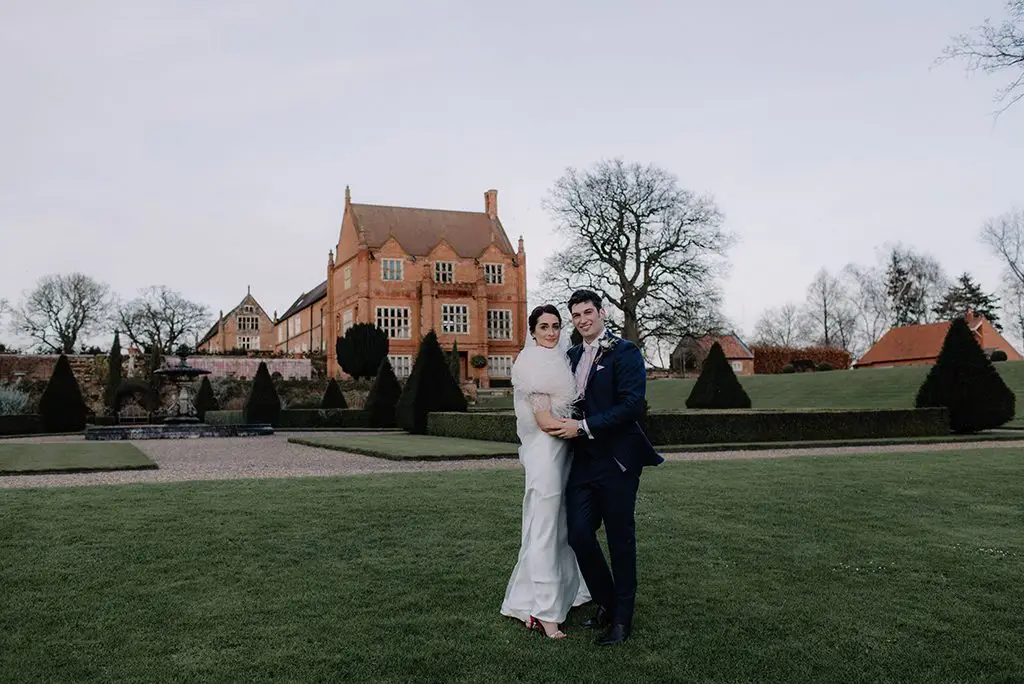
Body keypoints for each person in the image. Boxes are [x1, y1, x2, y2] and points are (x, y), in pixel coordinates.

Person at [546, 289, 664, 646]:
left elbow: (631, 405)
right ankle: (607, 602)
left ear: (602, 313)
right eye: (576, 315)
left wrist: (583, 427)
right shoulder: (569, 355)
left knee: (620, 539)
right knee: (579, 534)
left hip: (616, 462)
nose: (582, 320)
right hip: (582, 463)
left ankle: (621, 621)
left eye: (588, 313)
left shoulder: (625, 352)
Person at [500, 304, 590, 639]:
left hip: (561, 454)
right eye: (543, 327)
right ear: (532, 331)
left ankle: (551, 596)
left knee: (557, 526)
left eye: (555, 326)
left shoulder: (562, 359)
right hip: (546, 453)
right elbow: (545, 421)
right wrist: (585, 428)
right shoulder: (533, 363)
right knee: (545, 528)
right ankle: (545, 612)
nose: (551, 332)